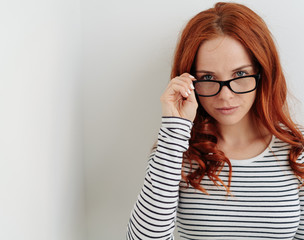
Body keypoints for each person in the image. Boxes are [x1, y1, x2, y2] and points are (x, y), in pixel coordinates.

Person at [126, 2, 304, 240]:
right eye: (208, 77)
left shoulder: (297, 149)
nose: (225, 95)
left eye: (240, 74)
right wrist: (175, 125)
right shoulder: (176, 150)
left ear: (263, 73)